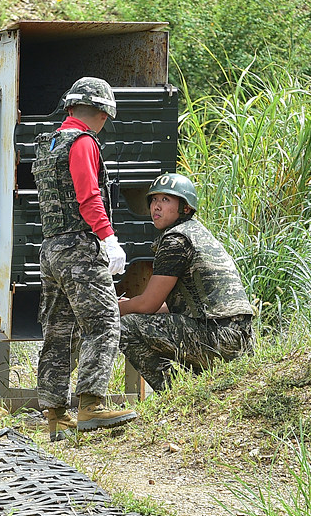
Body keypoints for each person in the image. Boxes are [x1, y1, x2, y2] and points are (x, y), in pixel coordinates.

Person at [33, 77, 138, 442]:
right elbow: (89, 196)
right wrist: (109, 240)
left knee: (58, 331)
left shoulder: (49, 144)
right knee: (104, 322)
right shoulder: (82, 143)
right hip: (79, 248)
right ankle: (92, 404)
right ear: (99, 110)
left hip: (50, 250)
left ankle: (56, 416)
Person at [118, 173, 254, 392]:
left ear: (186, 208)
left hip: (217, 336)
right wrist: (129, 305)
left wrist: (115, 307)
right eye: (154, 199)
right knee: (143, 320)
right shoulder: (197, 233)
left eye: (166, 200)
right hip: (237, 336)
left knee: (124, 327)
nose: (156, 207)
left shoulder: (176, 241)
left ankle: (175, 394)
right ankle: (193, 391)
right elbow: (173, 305)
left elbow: (147, 305)